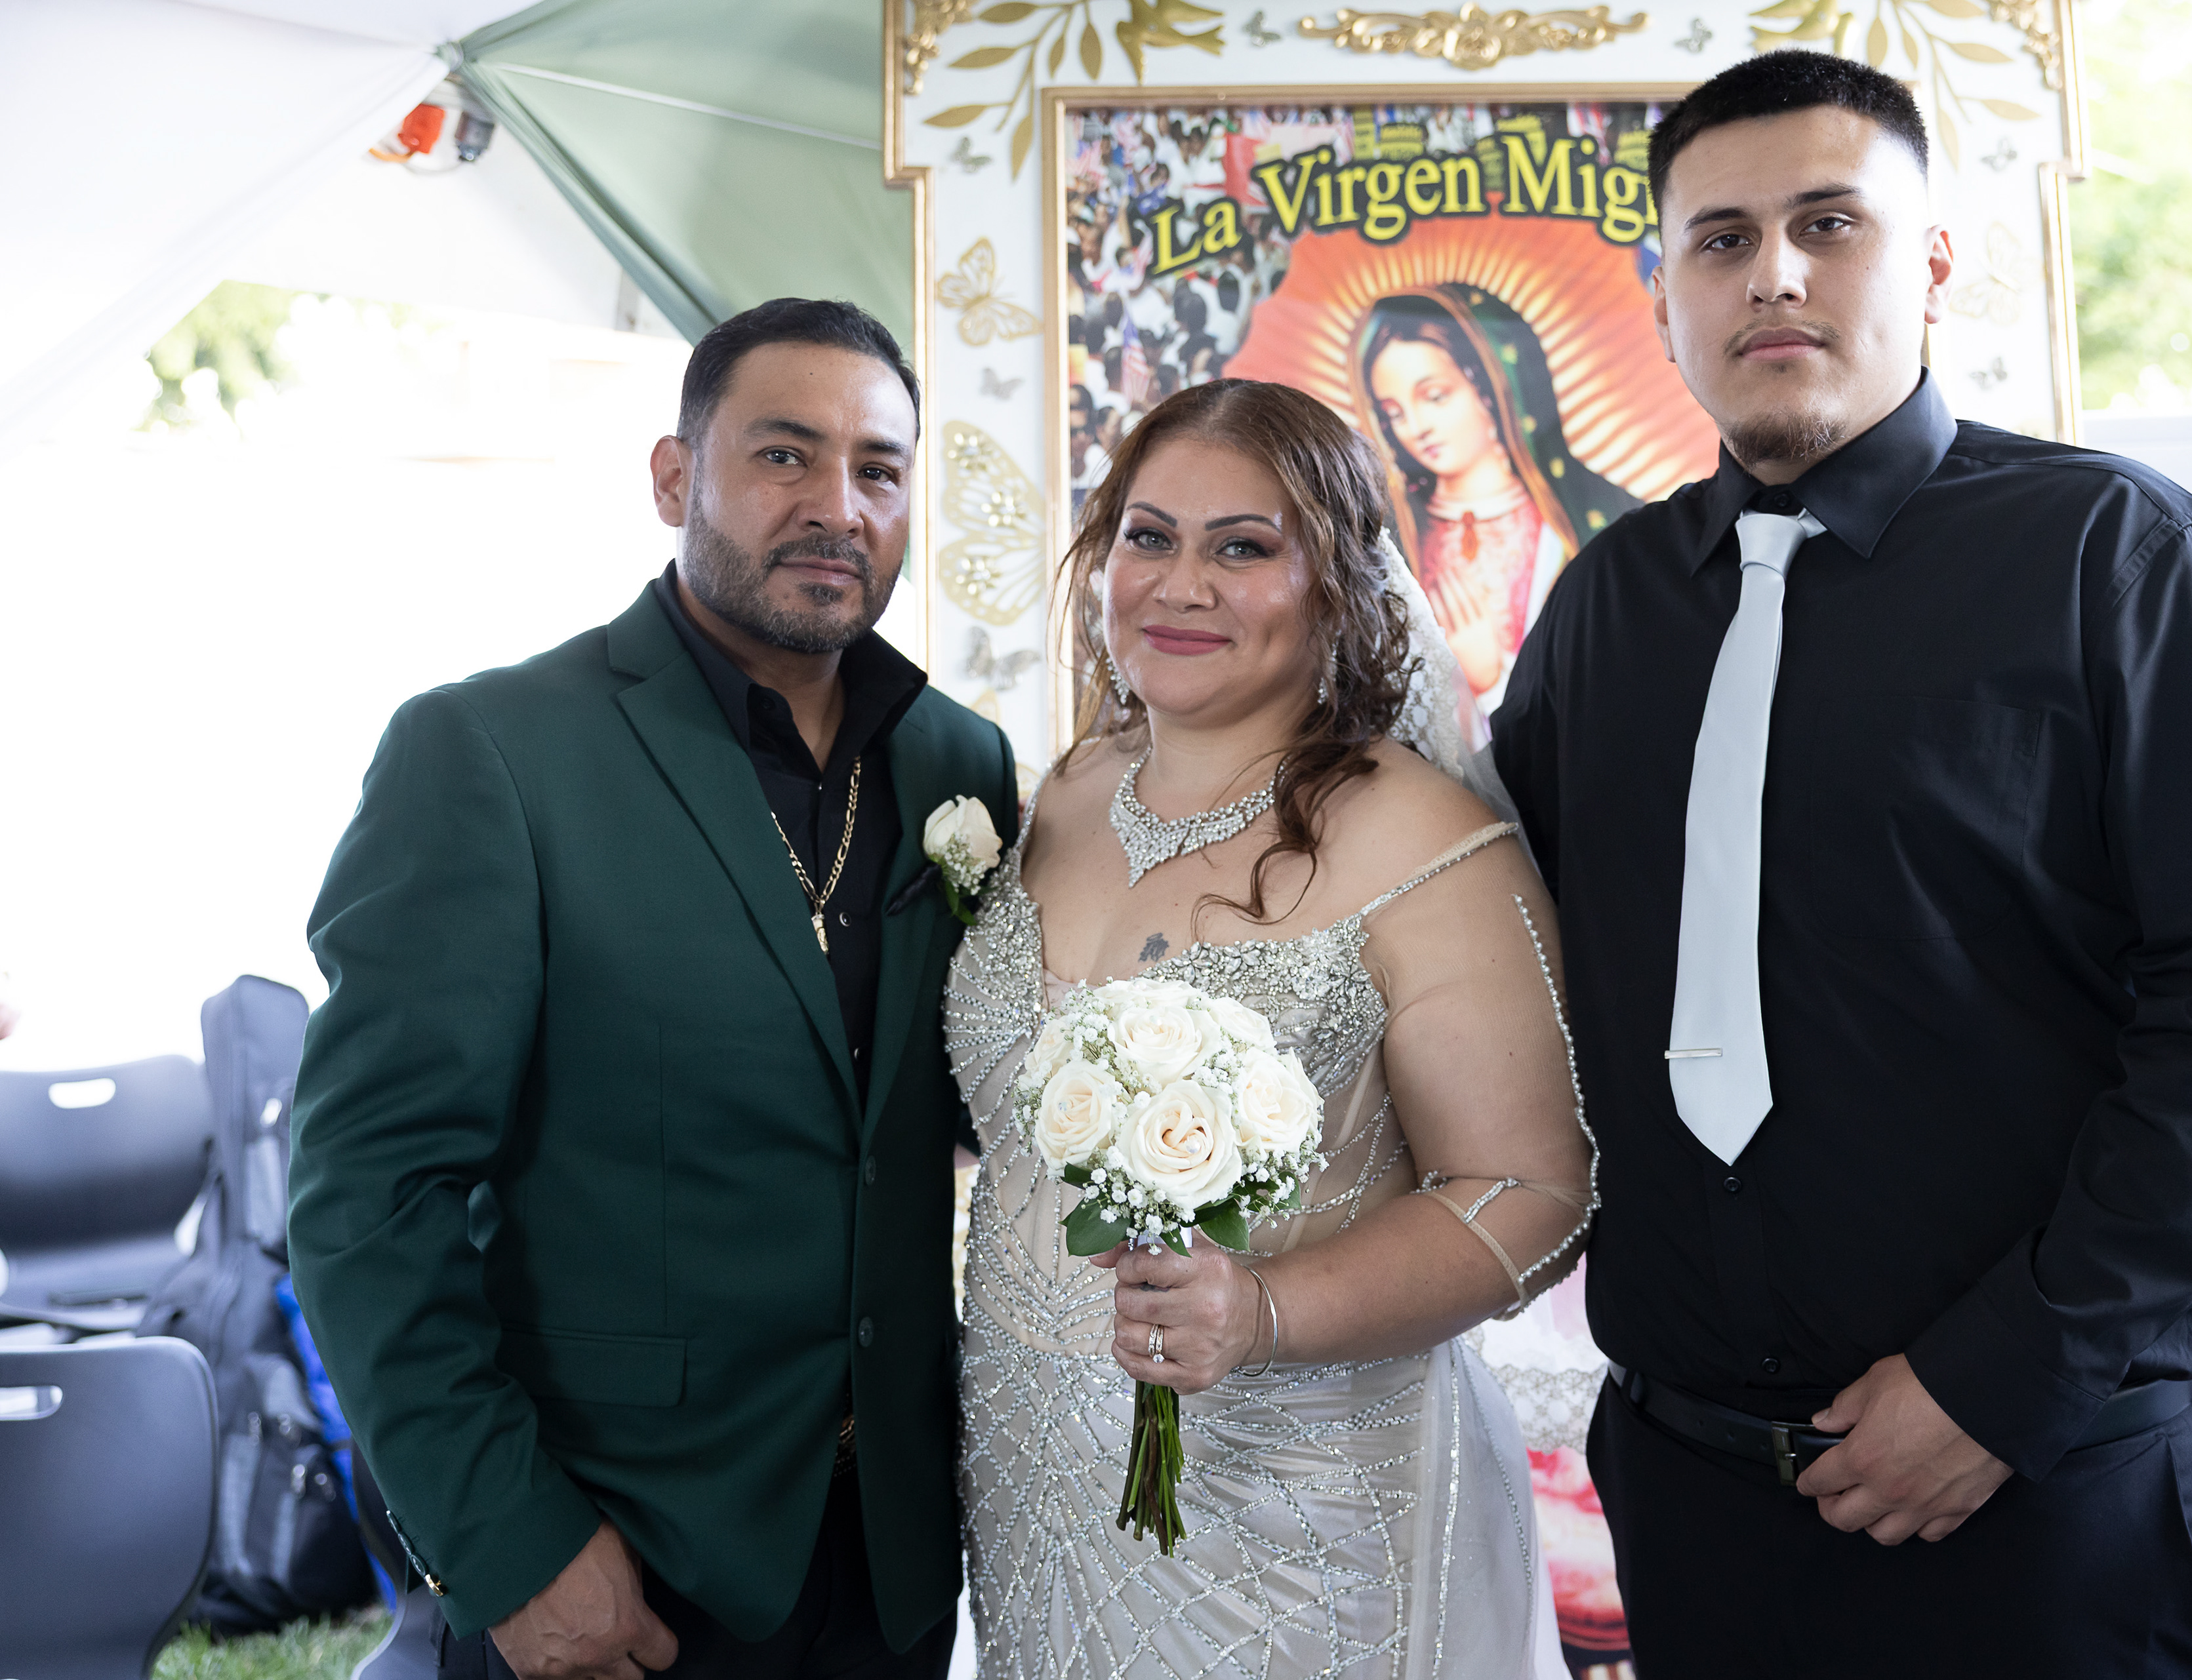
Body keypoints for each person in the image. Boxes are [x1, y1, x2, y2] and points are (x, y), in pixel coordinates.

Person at [1487, 52, 2192, 1677]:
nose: (1775, 275)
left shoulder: (2121, 559)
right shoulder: (1606, 609)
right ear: (1664, 294)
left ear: (1936, 263)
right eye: (1721, 239)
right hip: (1689, 1496)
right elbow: (1494, 952)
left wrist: (2000, 1382)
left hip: (2038, 1494)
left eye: (1830, 223)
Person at [288, 298, 1017, 1680]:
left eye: (878, 468)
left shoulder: (959, 764)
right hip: (616, 1556)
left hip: (897, 1567)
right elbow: (368, 1194)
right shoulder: (491, 752)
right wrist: (509, 1545)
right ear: (676, 478)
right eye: (784, 455)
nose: (838, 506)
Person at [943, 377, 1596, 1676]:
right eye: (1150, 536)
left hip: (1298, 1524)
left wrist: (1266, 1310)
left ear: (1335, 586)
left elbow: (1533, 1190)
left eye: (1243, 547)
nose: (1182, 585)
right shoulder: (1066, 791)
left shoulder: (1426, 842)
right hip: (1029, 1481)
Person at [1353, 287, 1636, 713]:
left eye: (1435, 396)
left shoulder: (1590, 516)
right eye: (1394, 413)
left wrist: (1489, 681)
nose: (1416, 427)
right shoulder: (1388, 536)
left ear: (1489, 389)